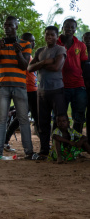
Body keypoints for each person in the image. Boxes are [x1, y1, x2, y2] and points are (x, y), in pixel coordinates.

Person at [0, 16, 37, 160]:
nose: (7, 27)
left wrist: (18, 52)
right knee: (1, 119)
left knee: (23, 119)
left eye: (10, 25)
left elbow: (24, 66)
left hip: (20, 86)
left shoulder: (25, 44)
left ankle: (29, 152)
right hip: (3, 86)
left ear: (16, 26)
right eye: (5, 25)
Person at [28, 26, 66, 158]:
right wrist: (44, 62)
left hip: (57, 90)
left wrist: (40, 65)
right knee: (43, 122)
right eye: (47, 34)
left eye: (52, 35)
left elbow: (56, 67)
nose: (49, 37)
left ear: (57, 36)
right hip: (42, 91)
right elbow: (29, 68)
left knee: (59, 120)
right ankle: (44, 149)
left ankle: (58, 149)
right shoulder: (40, 51)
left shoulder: (60, 49)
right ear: (44, 36)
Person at [4, 33, 39, 152]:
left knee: (20, 117)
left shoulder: (30, 56)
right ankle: (44, 145)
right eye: (30, 41)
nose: (32, 44)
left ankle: (5, 140)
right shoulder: (22, 57)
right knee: (35, 117)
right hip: (27, 91)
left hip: (33, 90)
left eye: (33, 41)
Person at [57, 18, 88, 133]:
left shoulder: (81, 45)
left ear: (75, 30)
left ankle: (75, 145)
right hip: (60, 86)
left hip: (78, 86)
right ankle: (60, 144)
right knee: (59, 116)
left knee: (79, 117)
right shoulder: (56, 43)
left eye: (72, 27)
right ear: (62, 27)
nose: (69, 29)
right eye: (67, 26)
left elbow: (84, 64)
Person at [82, 32, 90, 141]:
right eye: (85, 38)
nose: (88, 40)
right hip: (81, 87)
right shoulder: (80, 53)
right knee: (79, 114)